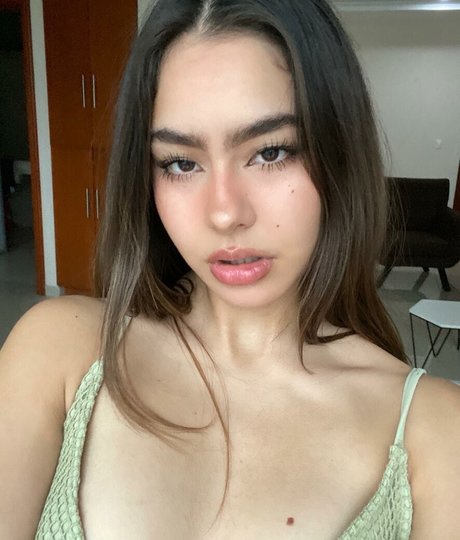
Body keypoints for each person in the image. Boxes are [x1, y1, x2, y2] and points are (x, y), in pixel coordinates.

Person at [1, 0, 459, 538]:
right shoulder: (59, 352)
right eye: (181, 162)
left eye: (271, 153)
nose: (224, 213)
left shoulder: (434, 432)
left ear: (339, 151)